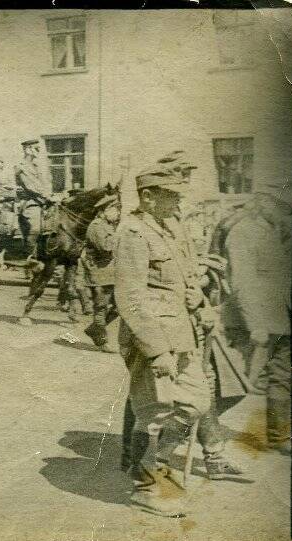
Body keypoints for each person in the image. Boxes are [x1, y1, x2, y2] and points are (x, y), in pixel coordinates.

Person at [114, 158, 220, 518]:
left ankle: (156, 466)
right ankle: (147, 486)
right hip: (154, 340)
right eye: (171, 196)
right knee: (155, 413)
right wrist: (157, 351)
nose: (179, 202)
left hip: (183, 334)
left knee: (195, 404)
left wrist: (200, 299)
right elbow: (131, 297)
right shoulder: (132, 234)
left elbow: (185, 278)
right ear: (148, 197)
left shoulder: (168, 230)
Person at [223, 182, 292, 454]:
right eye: (281, 206)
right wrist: (256, 325)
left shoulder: (276, 232)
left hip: (279, 319)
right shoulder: (243, 233)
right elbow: (242, 282)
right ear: (264, 203)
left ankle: (279, 437)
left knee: (282, 377)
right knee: (232, 384)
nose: (286, 212)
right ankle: (192, 431)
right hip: (249, 322)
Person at [81, 194, 121, 352]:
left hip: (109, 273)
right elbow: (105, 247)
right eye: (115, 209)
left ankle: (94, 329)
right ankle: (102, 342)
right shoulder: (97, 226)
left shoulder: (107, 226)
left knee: (119, 307)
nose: (118, 213)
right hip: (99, 274)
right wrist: (120, 239)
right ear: (105, 210)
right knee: (101, 306)